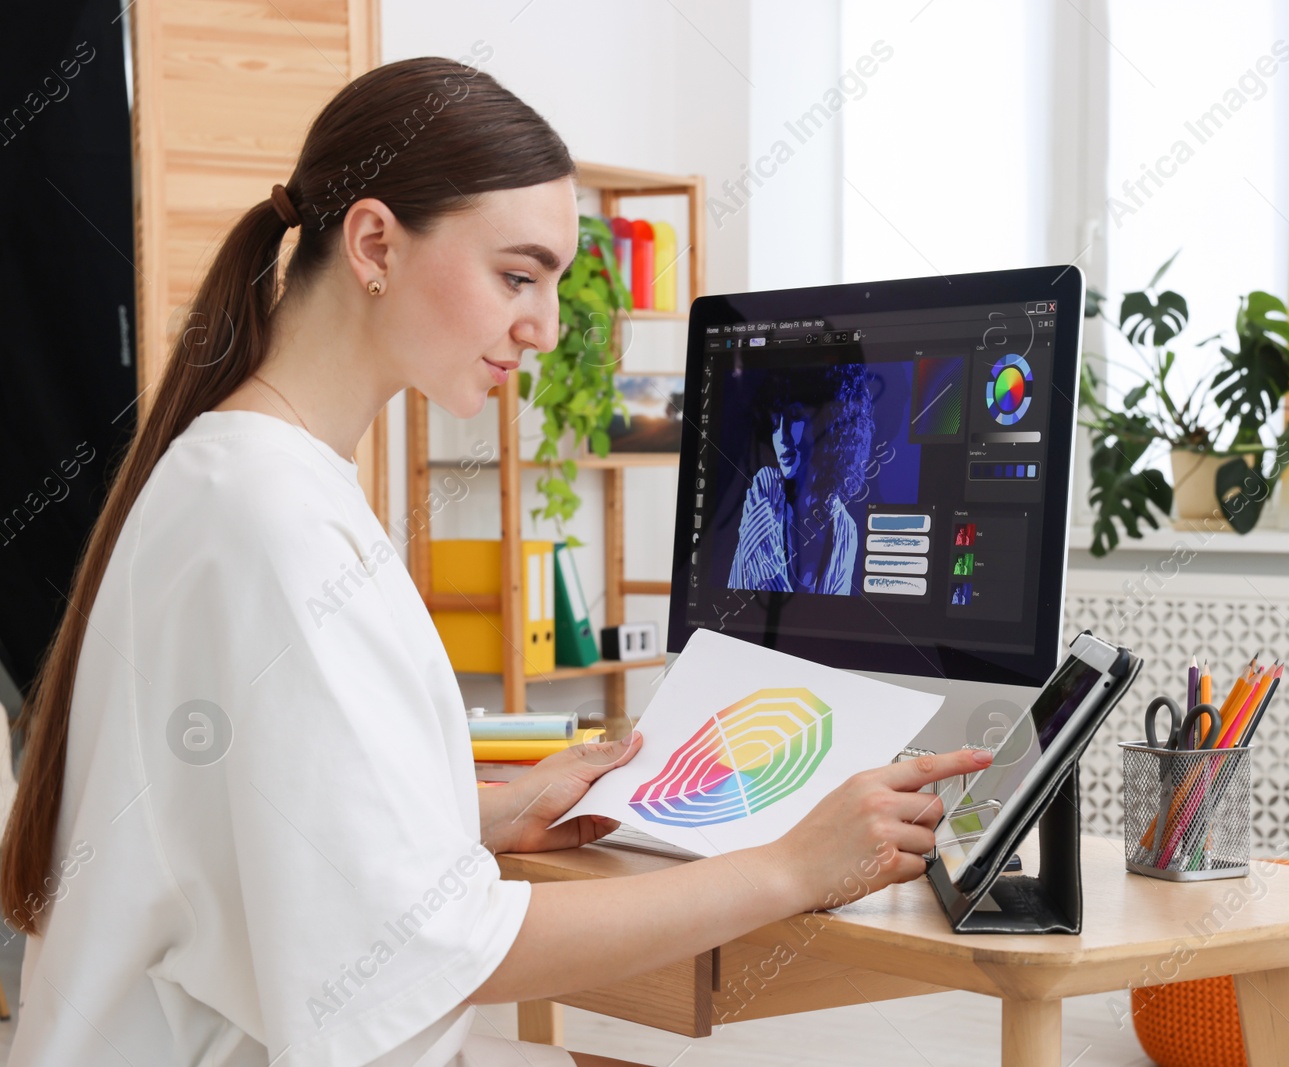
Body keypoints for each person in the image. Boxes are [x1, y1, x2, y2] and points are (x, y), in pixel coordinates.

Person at [0, 58, 989, 1067]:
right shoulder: (264, 518)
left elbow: (265, 811)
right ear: (375, 242)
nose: (545, 327)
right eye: (517, 275)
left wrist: (483, 812)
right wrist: (788, 866)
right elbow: (422, 948)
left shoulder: (259, 477)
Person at [726, 366, 871, 596]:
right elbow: (766, 596)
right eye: (775, 423)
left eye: (794, 418)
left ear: (829, 423)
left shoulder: (845, 529)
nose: (781, 437)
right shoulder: (765, 490)